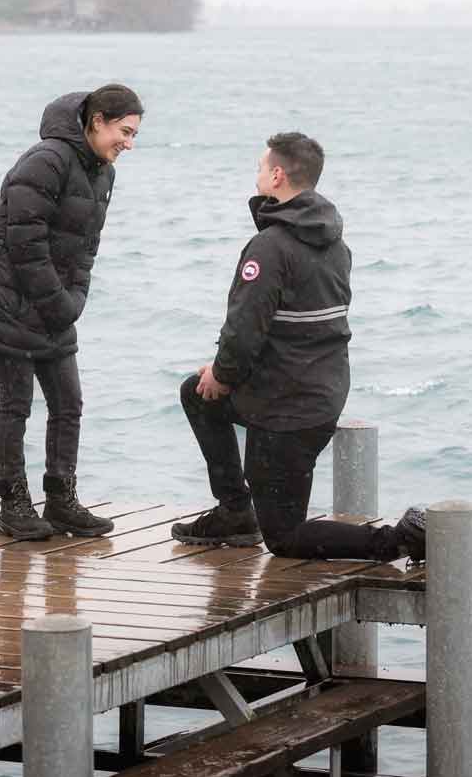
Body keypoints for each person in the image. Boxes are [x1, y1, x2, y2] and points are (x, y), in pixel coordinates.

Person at [172, 132, 425, 561]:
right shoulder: (334, 242)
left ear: (277, 174)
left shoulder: (269, 247)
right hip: (321, 395)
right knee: (197, 395)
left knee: (284, 538)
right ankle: (235, 512)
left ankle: (399, 541)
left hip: (285, 410)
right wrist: (221, 374)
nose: (255, 175)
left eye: (258, 166)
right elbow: (293, 327)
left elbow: (244, 329)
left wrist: (222, 373)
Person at [0, 84, 144, 541]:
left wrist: (74, 298)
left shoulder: (102, 172)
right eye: (125, 131)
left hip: (52, 306)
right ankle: (14, 506)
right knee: (16, 404)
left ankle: (61, 501)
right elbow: (24, 241)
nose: (129, 143)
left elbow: (86, 250)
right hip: (4, 301)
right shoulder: (46, 159)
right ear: (97, 121)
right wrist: (59, 302)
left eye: (134, 135)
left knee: (68, 403)